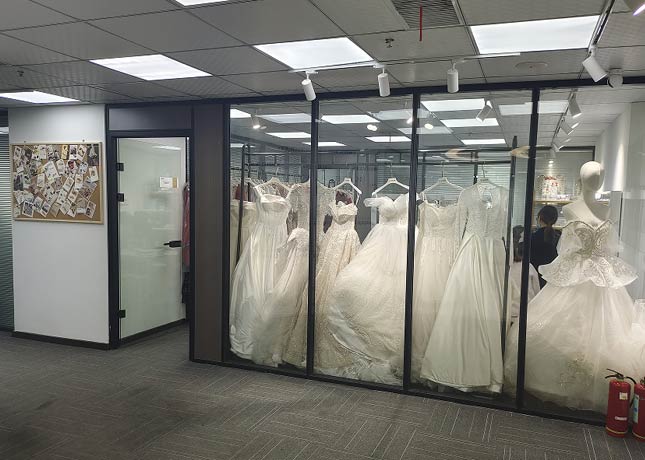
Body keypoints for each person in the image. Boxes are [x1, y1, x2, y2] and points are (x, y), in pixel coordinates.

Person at [530, 205, 561, 288]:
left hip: (535, 278)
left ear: (539, 218)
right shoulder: (559, 236)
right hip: (553, 279)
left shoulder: (533, 237)